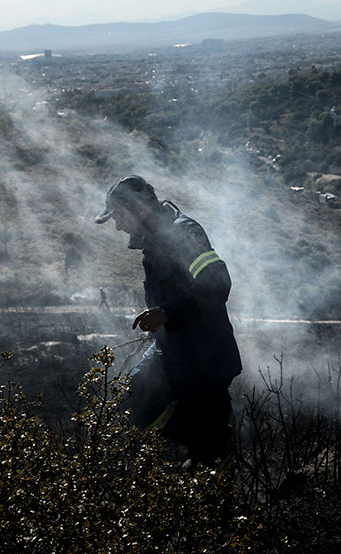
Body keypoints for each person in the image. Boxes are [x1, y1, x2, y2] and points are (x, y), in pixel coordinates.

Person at [95, 175, 242, 467]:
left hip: (205, 361)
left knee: (208, 457)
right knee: (132, 402)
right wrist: (160, 322)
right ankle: (204, 440)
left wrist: (168, 312)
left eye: (119, 216)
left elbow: (217, 283)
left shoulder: (182, 232)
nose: (118, 226)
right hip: (171, 353)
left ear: (137, 207)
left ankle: (209, 446)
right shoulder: (152, 246)